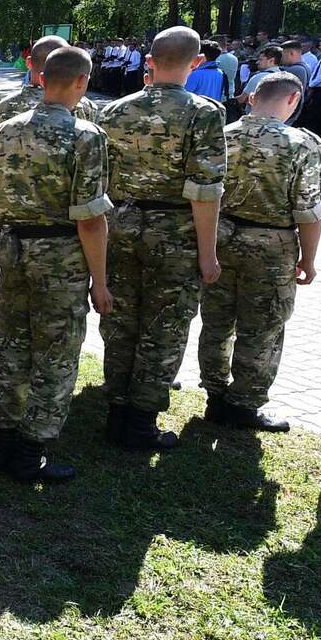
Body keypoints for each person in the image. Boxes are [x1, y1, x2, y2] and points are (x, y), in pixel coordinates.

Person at [0, 46, 105, 485]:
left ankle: (5, 440)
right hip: (61, 257)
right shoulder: (85, 136)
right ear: (81, 83)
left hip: (14, 251)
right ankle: (31, 452)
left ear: (42, 78)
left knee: (13, 346)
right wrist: (100, 281)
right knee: (57, 354)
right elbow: (90, 218)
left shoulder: (6, 129)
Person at [98, 25, 228, 453]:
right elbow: (205, 190)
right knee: (164, 326)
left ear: (149, 62)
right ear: (196, 63)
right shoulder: (204, 112)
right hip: (175, 232)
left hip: (121, 225)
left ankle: (117, 407)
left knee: (120, 320)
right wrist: (208, 254)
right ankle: (139, 421)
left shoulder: (114, 111)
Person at [197, 72, 321, 432]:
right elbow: (308, 210)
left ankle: (215, 394)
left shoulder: (222, 136)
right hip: (271, 246)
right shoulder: (302, 144)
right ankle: (244, 403)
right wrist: (309, 259)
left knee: (217, 322)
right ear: (293, 100)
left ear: (251, 98)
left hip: (219, 238)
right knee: (262, 327)